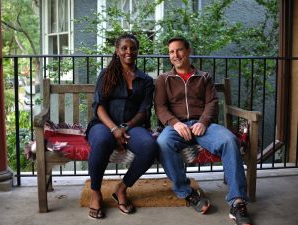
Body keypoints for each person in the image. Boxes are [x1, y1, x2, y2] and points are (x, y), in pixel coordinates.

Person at [154, 37, 252, 225]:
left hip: (203, 126)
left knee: (230, 141)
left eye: (179, 50)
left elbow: (212, 102)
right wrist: (175, 123)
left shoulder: (204, 77)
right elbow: (160, 107)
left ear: (188, 51)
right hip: (177, 127)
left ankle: (237, 201)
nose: (175, 55)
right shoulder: (163, 79)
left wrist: (203, 122)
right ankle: (187, 193)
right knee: (162, 143)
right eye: (171, 52)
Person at [86, 34, 158, 219]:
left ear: (137, 51)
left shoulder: (146, 80)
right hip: (104, 124)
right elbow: (99, 106)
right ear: (117, 51)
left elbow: (144, 110)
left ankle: (122, 188)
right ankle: (95, 192)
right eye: (124, 48)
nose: (129, 52)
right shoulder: (107, 74)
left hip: (132, 126)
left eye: (133, 48)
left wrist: (125, 126)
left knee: (149, 146)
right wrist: (114, 129)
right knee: (102, 142)